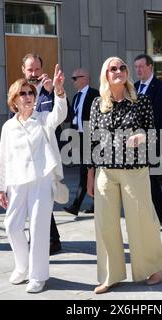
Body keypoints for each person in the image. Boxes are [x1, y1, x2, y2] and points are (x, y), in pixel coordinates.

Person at [87, 57, 162, 294]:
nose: (119, 71)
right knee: (105, 224)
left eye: (123, 67)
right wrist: (90, 174)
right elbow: (92, 140)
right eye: (113, 68)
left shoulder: (140, 100)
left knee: (141, 221)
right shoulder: (97, 103)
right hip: (105, 171)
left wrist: (141, 137)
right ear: (106, 75)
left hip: (135, 170)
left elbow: (153, 134)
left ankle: (155, 267)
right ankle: (110, 276)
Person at [0, 65, 67, 293]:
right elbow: (3, 159)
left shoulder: (44, 118)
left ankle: (38, 276)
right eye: (22, 94)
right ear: (14, 100)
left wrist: (59, 91)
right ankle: (22, 265)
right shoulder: (8, 127)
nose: (28, 97)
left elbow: (60, 114)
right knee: (12, 226)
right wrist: (0, 188)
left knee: (38, 228)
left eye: (30, 93)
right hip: (16, 182)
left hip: (41, 181)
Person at [21, 53, 62, 254]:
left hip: (46, 154)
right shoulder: (19, 91)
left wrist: (54, 91)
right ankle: (50, 239)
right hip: (27, 155)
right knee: (35, 199)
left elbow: (63, 115)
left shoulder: (49, 90)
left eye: (37, 69)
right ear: (23, 70)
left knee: (43, 198)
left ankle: (49, 240)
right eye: (30, 69)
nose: (34, 73)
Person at [133, 54, 162, 222]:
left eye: (141, 66)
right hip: (134, 139)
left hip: (152, 138)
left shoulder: (161, 88)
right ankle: (152, 210)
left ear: (150, 67)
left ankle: (161, 212)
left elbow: (158, 116)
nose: (138, 70)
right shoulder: (133, 87)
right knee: (141, 176)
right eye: (136, 67)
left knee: (150, 176)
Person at [63, 68, 99, 216]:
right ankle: (94, 205)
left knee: (87, 173)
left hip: (91, 138)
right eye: (72, 78)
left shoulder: (95, 95)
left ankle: (76, 206)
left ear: (85, 78)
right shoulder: (77, 96)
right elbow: (73, 117)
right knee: (87, 173)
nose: (73, 81)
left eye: (75, 78)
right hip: (79, 137)